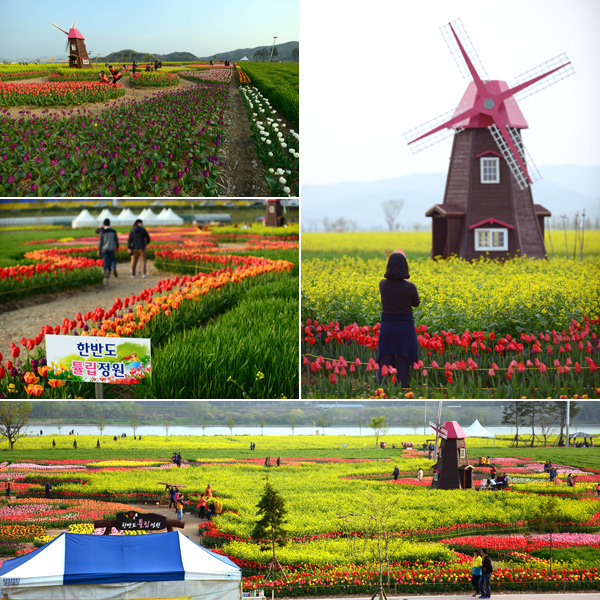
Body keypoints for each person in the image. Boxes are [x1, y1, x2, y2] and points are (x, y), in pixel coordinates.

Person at [376, 250, 420, 388]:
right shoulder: (410, 287)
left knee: (385, 356)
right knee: (403, 357)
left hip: (388, 327)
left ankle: (382, 388)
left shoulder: (383, 284)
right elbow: (416, 303)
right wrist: (407, 281)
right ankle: (403, 388)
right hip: (405, 327)